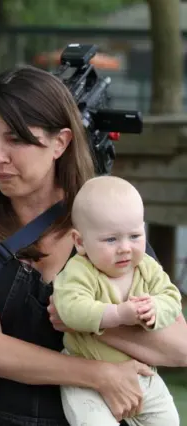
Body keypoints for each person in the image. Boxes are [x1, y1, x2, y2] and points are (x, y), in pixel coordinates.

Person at [0, 65, 187, 426]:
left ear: (60, 143)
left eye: (15, 139)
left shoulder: (105, 223)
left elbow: (178, 346)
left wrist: (84, 318)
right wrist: (99, 374)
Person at [53, 175, 181, 426]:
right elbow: (69, 308)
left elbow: (171, 297)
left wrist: (155, 308)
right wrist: (117, 315)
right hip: (85, 375)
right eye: (111, 239)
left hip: (139, 372)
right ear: (80, 242)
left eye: (134, 236)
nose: (125, 248)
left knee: (168, 419)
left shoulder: (146, 267)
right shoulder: (79, 270)